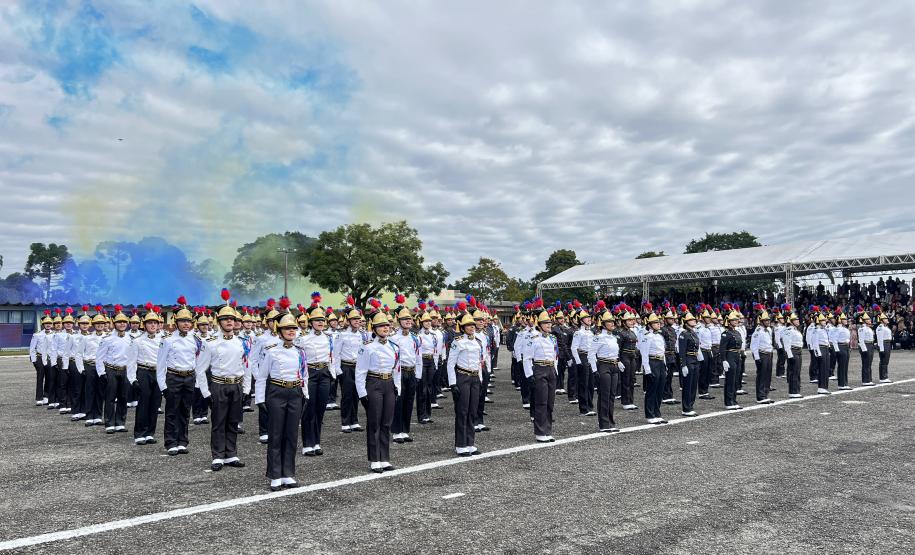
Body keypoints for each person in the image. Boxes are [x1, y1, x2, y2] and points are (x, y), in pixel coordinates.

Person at [196, 291, 250, 471]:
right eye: (225, 319)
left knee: (233, 421)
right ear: (219, 322)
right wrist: (205, 392)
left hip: (236, 385)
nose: (229, 322)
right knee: (218, 422)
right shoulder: (210, 343)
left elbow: (247, 366)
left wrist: (246, 388)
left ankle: (231, 454)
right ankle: (218, 456)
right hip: (218, 385)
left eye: (232, 319)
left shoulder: (242, 342)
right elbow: (200, 369)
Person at [255, 312, 308, 491]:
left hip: (295, 392)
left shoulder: (300, 352)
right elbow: (262, 377)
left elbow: (304, 375)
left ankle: (288, 473)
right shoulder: (271, 351)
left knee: (291, 435)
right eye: (287, 328)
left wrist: (305, 394)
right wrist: (260, 399)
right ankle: (275, 475)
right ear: (279, 330)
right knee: (276, 434)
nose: (291, 331)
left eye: (293, 328)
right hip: (277, 391)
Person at [356, 307, 401, 473]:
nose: (385, 328)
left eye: (387, 325)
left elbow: (397, 369)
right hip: (373, 383)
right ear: (374, 329)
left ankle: (385, 458)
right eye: (381, 326)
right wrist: (362, 393)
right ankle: (375, 459)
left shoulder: (395, 347)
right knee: (374, 422)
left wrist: (398, 388)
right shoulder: (367, 347)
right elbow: (360, 372)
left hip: (389, 383)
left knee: (386, 422)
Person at [157, 297, 200, 455]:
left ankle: (183, 441)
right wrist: (163, 387)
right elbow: (161, 365)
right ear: (176, 322)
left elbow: (196, 360)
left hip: (189, 377)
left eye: (188, 321)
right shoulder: (167, 340)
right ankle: (170, 442)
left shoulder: (194, 339)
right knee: (172, 411)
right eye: (183, 321)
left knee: (185, 410)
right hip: (173, 377)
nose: (186, 324)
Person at [296, 293, 334, 456]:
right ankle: (307, 443)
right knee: (309, 409)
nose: (320, 322)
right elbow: (298, 359)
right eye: (317, 320)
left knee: (320, 409)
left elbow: (332, 356)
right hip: (309, 373)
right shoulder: (302, 338)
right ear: (310, 322)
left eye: (322, 320)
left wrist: (332, 374)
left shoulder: (329, 337)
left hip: (324, 373)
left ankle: (316, 442)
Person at [447, 311, 486, 455]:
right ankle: (460, 444)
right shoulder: (457, 342)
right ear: (462, 328)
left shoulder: (478, 342)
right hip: (462, 377)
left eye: (473, 325)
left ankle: (470, 442)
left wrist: (480, 380)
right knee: (462, 411)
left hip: (475, 378)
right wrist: (453, 384)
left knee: (472, 411)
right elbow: (450, 364)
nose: (472, 327)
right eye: (468, 325)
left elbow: (479, 362)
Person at [127, 304, 163, 445]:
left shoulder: (163, 340)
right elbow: (131, 362)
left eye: (155, 323)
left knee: (155, 404)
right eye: (150, 323)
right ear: (145, 325)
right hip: (143, 372)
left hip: (158, 373)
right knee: (143, 403)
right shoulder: (137, 341)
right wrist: (133, 379)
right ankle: (139, 433)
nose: (153, 325)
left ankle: (150, 433)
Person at [522, 307, 558, 442]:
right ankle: (540, 432)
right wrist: (530, 375)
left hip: (550, 370)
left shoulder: (552, 338)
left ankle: (547, 430)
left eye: (550, 322)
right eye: (546, 323)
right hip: (539, 369)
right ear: (539, 324)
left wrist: (556, 371)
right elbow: (526, 358)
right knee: (541, 401)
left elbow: (555, 356)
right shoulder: (533, 338)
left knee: (550, 402)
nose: (549, 325)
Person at [95, 305, 132, 433]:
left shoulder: (131, 339)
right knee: (110, 398)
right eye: (119, 322)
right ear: (114, 323)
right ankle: (109, 423)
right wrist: (101, 373)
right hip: (111, 369)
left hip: (125, 370)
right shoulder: (107, 339)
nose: (122, 324)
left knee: (123, 397)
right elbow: (99, 357)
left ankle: (120, 422)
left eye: (124, 322)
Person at [333, 298, 367, 433]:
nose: (357, 321)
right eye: (354, 319)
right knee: (347, 395)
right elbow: (336, 354)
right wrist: (338, 370)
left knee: (356, 394)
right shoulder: (342, 335)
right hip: (346, 367)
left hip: (358, 368)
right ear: (348, 320)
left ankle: (354, 421)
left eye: (358, 319)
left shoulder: (363, 335)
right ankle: (345, 422)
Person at [389, 298, 421, 443]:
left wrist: (418, 374)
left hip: (411, 372)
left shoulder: (415, 338)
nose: (408, 321)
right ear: (398, 320)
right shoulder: (393, 338)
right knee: (398, 401)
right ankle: (396, 431)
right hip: (399, 373)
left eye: (409, 318)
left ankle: (405, 430)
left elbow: (418, 357)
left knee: (409, 401)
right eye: (404, 319)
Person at [587, 308, 623, 432]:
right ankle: (604, 424)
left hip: (614, 366)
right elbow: (591, 354)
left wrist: (618, 361)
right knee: (604, 395)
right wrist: (594, 370)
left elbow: (613, 353)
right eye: (609, 321)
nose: (612, 323)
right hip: (603, 366)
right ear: (603, 324)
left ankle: (611, 422)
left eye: (613, 321)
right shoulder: (598, 337)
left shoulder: (613, 337)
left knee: (612, 395)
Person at [639, 313, 668, 424]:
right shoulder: (647, 337)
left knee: (660, 389)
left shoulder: (659, 336)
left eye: (658, 322)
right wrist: (647, 370)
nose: (658, 324)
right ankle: (650, 414)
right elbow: (644, 354)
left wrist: (664, 365)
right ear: (649, 324)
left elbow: (663, 352)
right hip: (652, 362)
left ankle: (657, 412)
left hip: (660, 362)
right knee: (652, 389)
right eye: (655, 323)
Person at [677, 310, 703, 416]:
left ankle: (690, 405)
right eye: (691, 320)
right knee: (687, 385)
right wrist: (683, 365)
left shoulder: (693, 333)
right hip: (688, 359)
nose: (694, 321)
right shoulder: (684, 334)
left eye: (693, 319)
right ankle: (686, 408)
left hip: (695, 359)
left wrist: (700, 359)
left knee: (693, 385)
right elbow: (681, 351)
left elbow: (698, 347)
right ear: (686, 322)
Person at [749, 308, 774, 404]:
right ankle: (760, 396)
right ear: (761, 321)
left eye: (768, 320)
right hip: (762, 355)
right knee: (761, 376)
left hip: (769, 354)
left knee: (768, 375)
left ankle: (765, 394)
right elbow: (753, 346)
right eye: (766, 320)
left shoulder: (768, 330)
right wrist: (757, 358)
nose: (768, 321)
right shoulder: (758, 331)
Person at [29, 311, 53, 406]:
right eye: (46, 323)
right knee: (40, 377)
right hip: (39, 357)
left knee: (49, 377)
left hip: (50, 358)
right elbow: (32, 348)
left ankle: (46, 396)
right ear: (43, 324)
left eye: (49, 323)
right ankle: (39, 398)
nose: (48, 325)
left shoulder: (54, 335)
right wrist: (34, 360)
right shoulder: (37, 335)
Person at [720, 310, 743, 410]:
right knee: (730, 380)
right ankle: (728, 402)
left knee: (736, 379)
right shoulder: (726, 333)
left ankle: (734, 400)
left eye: (736, 320)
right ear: (728, 322)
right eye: (733, 320)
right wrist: (724, 360)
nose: (736, 321)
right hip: (730, 356)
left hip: (737, 356)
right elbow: (722, 348)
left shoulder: (737, 332)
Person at [617, 310, 639, 410]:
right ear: (624, 322)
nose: (631, 322)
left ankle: (631, 400)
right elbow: (617, 348)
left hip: (632, 356)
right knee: (625, 379)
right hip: (624, 356)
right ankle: (625, 402)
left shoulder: (632, 332)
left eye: (632, 320)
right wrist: (618, 360)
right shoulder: (621, 333)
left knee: (632, 379)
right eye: (629, 320)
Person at [660, 307, 679, 406]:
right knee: (666, 376)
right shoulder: (662, 330)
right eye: (670, 318)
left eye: (673, 318)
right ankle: (664, 396)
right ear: (665, 319)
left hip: (672, 355)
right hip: (666, 355)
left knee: (670, 376)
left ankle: (669, 395)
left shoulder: (672, 329)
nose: (672, 320)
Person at [782, 313, 804, 398]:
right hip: (793, 351)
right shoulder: (789, 330)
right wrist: (790, 356)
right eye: (796, 320)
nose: (798, 321)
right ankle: (793, 391)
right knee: (793, 372)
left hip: (798, 351)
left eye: (798, 319)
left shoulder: (796, 330)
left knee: (797, 371)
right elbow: (787, 344)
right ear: (791, 321)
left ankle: (796, 390)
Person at [696, 308, 715, 400]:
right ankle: (702, 392)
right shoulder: (699, 329)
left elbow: (709, 342)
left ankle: (705, 390)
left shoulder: (707, 328)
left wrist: (710, 352)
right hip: (702, 351)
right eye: (707, 317)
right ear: (702, 318)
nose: (709, 319)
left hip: (708, 351)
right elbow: (697, 343)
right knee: (703, 373)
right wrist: (700, 356)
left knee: (708, 372)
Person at [832, 313, 852, 390]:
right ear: (840, 320)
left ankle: (845, 383)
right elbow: (834, 340)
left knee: (845, 366)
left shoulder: (845, 328)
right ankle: (841, 384)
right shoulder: (838, 329)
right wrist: (837, 350)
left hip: (845, 347)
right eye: (844, 319)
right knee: (842, 366)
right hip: (841, 347)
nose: (846, 320)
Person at [812, 313, 831, 395]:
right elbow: (815, 343)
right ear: (819, 321)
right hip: (821, 349)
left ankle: (824, 387)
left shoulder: (823, 330)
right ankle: (821, 387)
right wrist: (818, 354)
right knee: (822, 369)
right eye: (823, 320)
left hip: (825, 349)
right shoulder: (816, 330)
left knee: (826, 368)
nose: (825, 322)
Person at [857, 312, 876, 385]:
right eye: (868, 319)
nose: (870, 320)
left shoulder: (868, 328)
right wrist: (864, 349)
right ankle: (865, 380)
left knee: (869, 363)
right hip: (865, 345)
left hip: (870, 345)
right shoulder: (862, 328)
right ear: (864, 320)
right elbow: (861, 340)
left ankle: (869, 379)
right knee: (866, 363)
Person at [876, 312, 893, 383]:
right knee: (884, 361)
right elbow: (880, 339)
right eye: (885, 318)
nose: (887, 319)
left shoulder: (885, 327)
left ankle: (883, 377)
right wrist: (881, 349)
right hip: (883, 344)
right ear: (882, 320)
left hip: (887, 343)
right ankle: (883, 377)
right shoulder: (880, 327)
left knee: (885, 361)